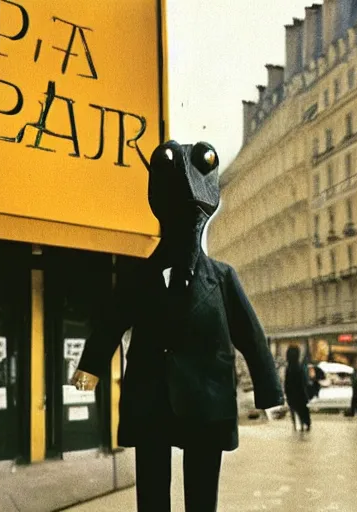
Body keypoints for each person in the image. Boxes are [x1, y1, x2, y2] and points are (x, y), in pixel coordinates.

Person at [70, 140, 284, 512]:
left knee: (202, 498)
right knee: (152, 498)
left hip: (206, 404)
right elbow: (108, 327)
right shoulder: (139, 279)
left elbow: (251, 337)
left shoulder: (222, 279)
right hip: (152, 402)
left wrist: (269, 392)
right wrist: (85, 378)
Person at [284, 345, 311, 432]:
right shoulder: (299, 368)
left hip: (291, 393)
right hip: (300, 393)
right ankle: (303, 425)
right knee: (301, 409)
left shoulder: (289, 368)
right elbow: (303, 382)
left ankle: (295, 426)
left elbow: (287, 383)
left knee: (293, 408)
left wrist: (286, 392)